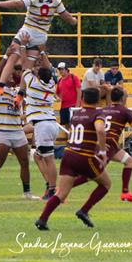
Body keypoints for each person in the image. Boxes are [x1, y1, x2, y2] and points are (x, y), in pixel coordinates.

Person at [0, 0, 77, 101]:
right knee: (28, 67)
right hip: (40, 36)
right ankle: (20, 95)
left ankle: (0, 86)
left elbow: (17, 4)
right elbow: (66, 16)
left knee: (12, 57)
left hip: (27, 31)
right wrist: (74, 21)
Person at [35, 88, 110, 230]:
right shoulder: (98, 113)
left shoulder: (76, 114)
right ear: (98, 101)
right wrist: (101, 151)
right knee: (105, 184)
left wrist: (94, 144)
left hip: (68, 154)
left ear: (82, 99)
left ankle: (42, 219)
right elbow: (100, 130)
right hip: (84, 157)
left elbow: (82, 135)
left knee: (61, 194)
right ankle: (84, 210)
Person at [72, 87, 132, 202]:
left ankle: (125, 193)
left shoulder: (104, 109)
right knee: (92, 174)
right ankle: (62, 189)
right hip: (108, 144)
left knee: (129, 161)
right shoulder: (125, 111)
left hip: (105, 143)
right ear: (123, 98)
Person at [0, 65, 40, 201]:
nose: (10, 76)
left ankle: (27, 193)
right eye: (8, 75)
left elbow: (24, 79)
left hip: (17, 131)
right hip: (3, 132)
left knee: (25, 162)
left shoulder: (16, 92)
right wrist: (6, 59)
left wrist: (28, 64)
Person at [19, 42, 59, 200]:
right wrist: (42, 53)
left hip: (42, 124)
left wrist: (23, 47)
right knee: (38, 157)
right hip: (50, 123)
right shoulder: (52, 84)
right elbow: (50, 69)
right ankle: (50, 186)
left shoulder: (33, 83)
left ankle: (52, 189)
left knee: (48, 158)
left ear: (38, 76)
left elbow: (24, 66)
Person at [56, 62, 81, 126]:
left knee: (73, 125)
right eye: (59, 69)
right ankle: (68, 136)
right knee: (66, 125)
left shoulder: (74, 77)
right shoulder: (59, 80)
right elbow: (56, 93)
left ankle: (71, 136)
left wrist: (77, 105)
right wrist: (57, 98)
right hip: (64, 106)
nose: (60, 71)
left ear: (66, 69)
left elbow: (79, 91)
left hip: (73, 105)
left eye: (62, 69)